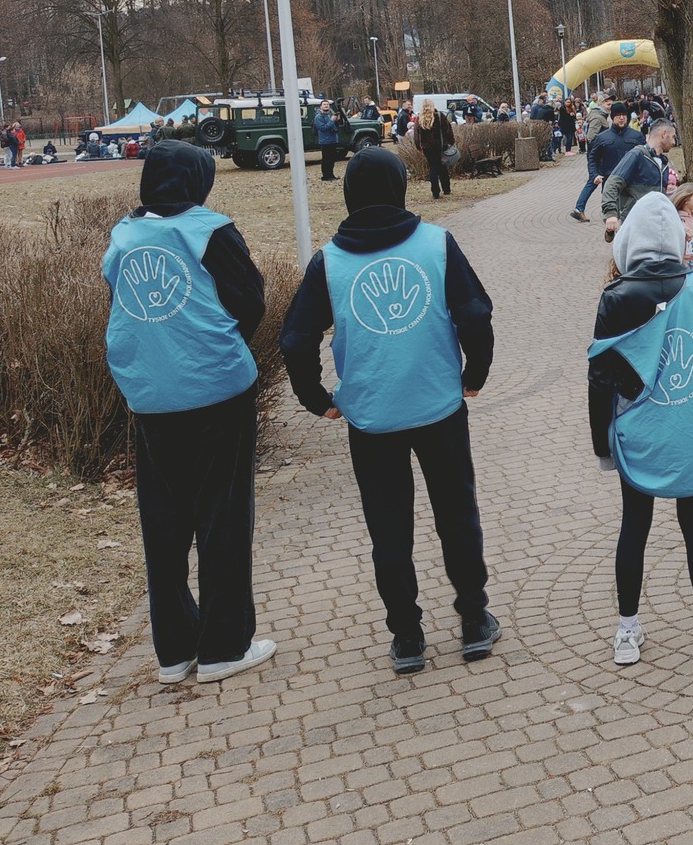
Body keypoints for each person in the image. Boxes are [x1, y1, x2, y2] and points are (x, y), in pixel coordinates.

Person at [279, 148, 499, 673]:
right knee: (457, 515)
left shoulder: (329, 261)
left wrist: (316, 398)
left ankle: (406, 635)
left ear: (349, 195)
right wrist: (474, 373)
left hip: (371, 415)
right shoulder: (436, 244)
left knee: (388, 528)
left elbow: (296, 338)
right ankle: (473, 618)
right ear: (400, 188)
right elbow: (475, 314)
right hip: (438, 404)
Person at [101, 141, 274, 684]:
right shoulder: (209, 230)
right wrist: (220, 345)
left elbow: (119, 301)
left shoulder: (123, 236)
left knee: (164, 524)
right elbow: (250, 300)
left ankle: (174, 650)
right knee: (223, 518)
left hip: (150, 394)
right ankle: (225, 646)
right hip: (215, 390)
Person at [589, 192, 693, 665]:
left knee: (633, 525)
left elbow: (600, 378)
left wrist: (602, 446)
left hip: (637, 430)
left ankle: (626, 632)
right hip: (689, 428)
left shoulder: (614, 297)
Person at [600, 119, 677, 239]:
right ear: (664, 134)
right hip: (633, 225)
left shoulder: (663, 163)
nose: (674, 142)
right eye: (673, 137)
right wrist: (610, 214)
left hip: (655, 226)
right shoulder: (637, 155)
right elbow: (611, 184)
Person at [576, 103, 642, 223]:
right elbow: (592, 158)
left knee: (632, 219)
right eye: (618, 115)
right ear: (612, 117)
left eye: (624, 115)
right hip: (610, 184)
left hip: (632, 184)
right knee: (611, 218)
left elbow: (645, 158)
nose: (621, 118)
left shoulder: (636, 136)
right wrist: (594, 175)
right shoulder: (602, 138)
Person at [414, 103, 456, 199]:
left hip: (427, 148)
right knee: (443, 166)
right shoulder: (440, 116)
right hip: (441, 145)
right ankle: (446, 189)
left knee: (433, 167)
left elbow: (417, 135)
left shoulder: (420, 118)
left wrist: (418, 146)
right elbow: (448, 130)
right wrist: (451, 141)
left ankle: (435, 192)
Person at [314, 101, 344, 183]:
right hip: (325, 141)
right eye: (324, 104)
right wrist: (331, 120)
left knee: (332, 159)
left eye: (327, 104)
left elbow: (334, 127)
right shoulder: (318, 117)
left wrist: (336, 120)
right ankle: (326, 176)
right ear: (320, 106)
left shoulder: (329, 115)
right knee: (326, 159)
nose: (326, 106)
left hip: (333, 140)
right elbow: (322, 128)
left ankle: (331, 174)